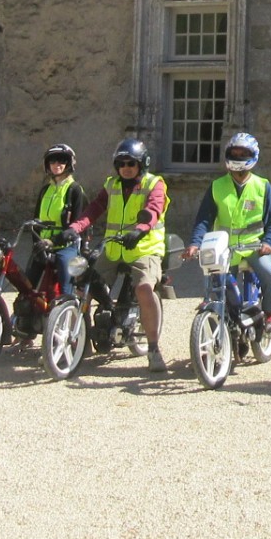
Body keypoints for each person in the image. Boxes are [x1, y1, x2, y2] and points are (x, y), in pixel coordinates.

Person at [66, 138, 169, 371]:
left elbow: (154, 210)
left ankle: (153, 349)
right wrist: (75, 228)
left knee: (143, 287)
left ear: (142, 164)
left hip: (145, 248)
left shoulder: (154, 184)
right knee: (83, 286)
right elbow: (94, 208)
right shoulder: (111, 184)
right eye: (121, 163)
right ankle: (74, 341)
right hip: (114, 249)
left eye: (131, 163)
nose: (126, 168)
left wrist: (140, 230)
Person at [181, 132, 271, 334]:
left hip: (254, 247)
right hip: (225, 249)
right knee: (219, 287)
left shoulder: (262, 186)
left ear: (253, 156)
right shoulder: (217, 186)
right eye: (234, 152)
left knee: (269, 273)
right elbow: (204, 219)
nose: (238, 156)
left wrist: (268, 243)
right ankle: (225, 320)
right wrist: (195, 243)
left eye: (243, 153)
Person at [26, 143, 86, 312]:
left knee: (66, 287)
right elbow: (35, 219)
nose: (57, 165)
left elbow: (77, 225)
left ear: (69, 164)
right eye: (52, 161)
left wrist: (54, 241)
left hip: (65, 245)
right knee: (26, 286)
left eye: (61, 161)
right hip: (43, 243)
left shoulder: (75, 190)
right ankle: (24, 328)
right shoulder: (45, 189)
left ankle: (66, 317)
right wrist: (36, 242)